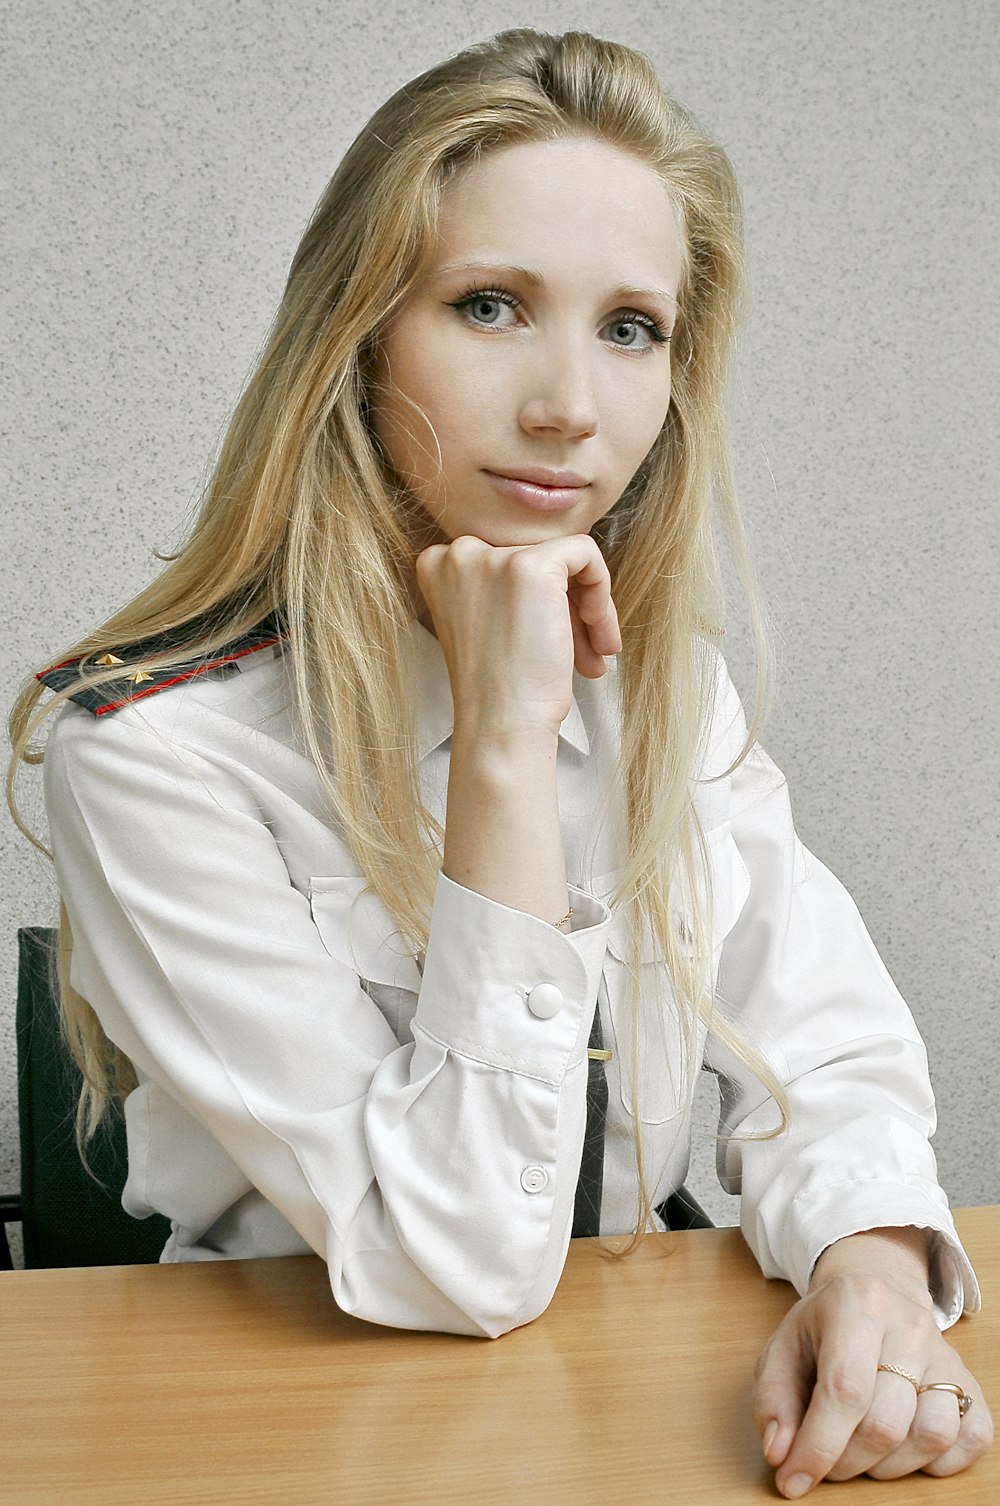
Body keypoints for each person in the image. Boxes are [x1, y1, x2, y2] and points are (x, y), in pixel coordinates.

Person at [7, 26, 992, 1498]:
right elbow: (454, 1257)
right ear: (355, 334)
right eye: (488, 305)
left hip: (619, 1402)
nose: (569, 409)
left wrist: (871, 1267)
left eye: (631, 329)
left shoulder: (675, 689)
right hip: (284, 1420)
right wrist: (510, 743)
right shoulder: (148, 746)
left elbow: (829, 1050)